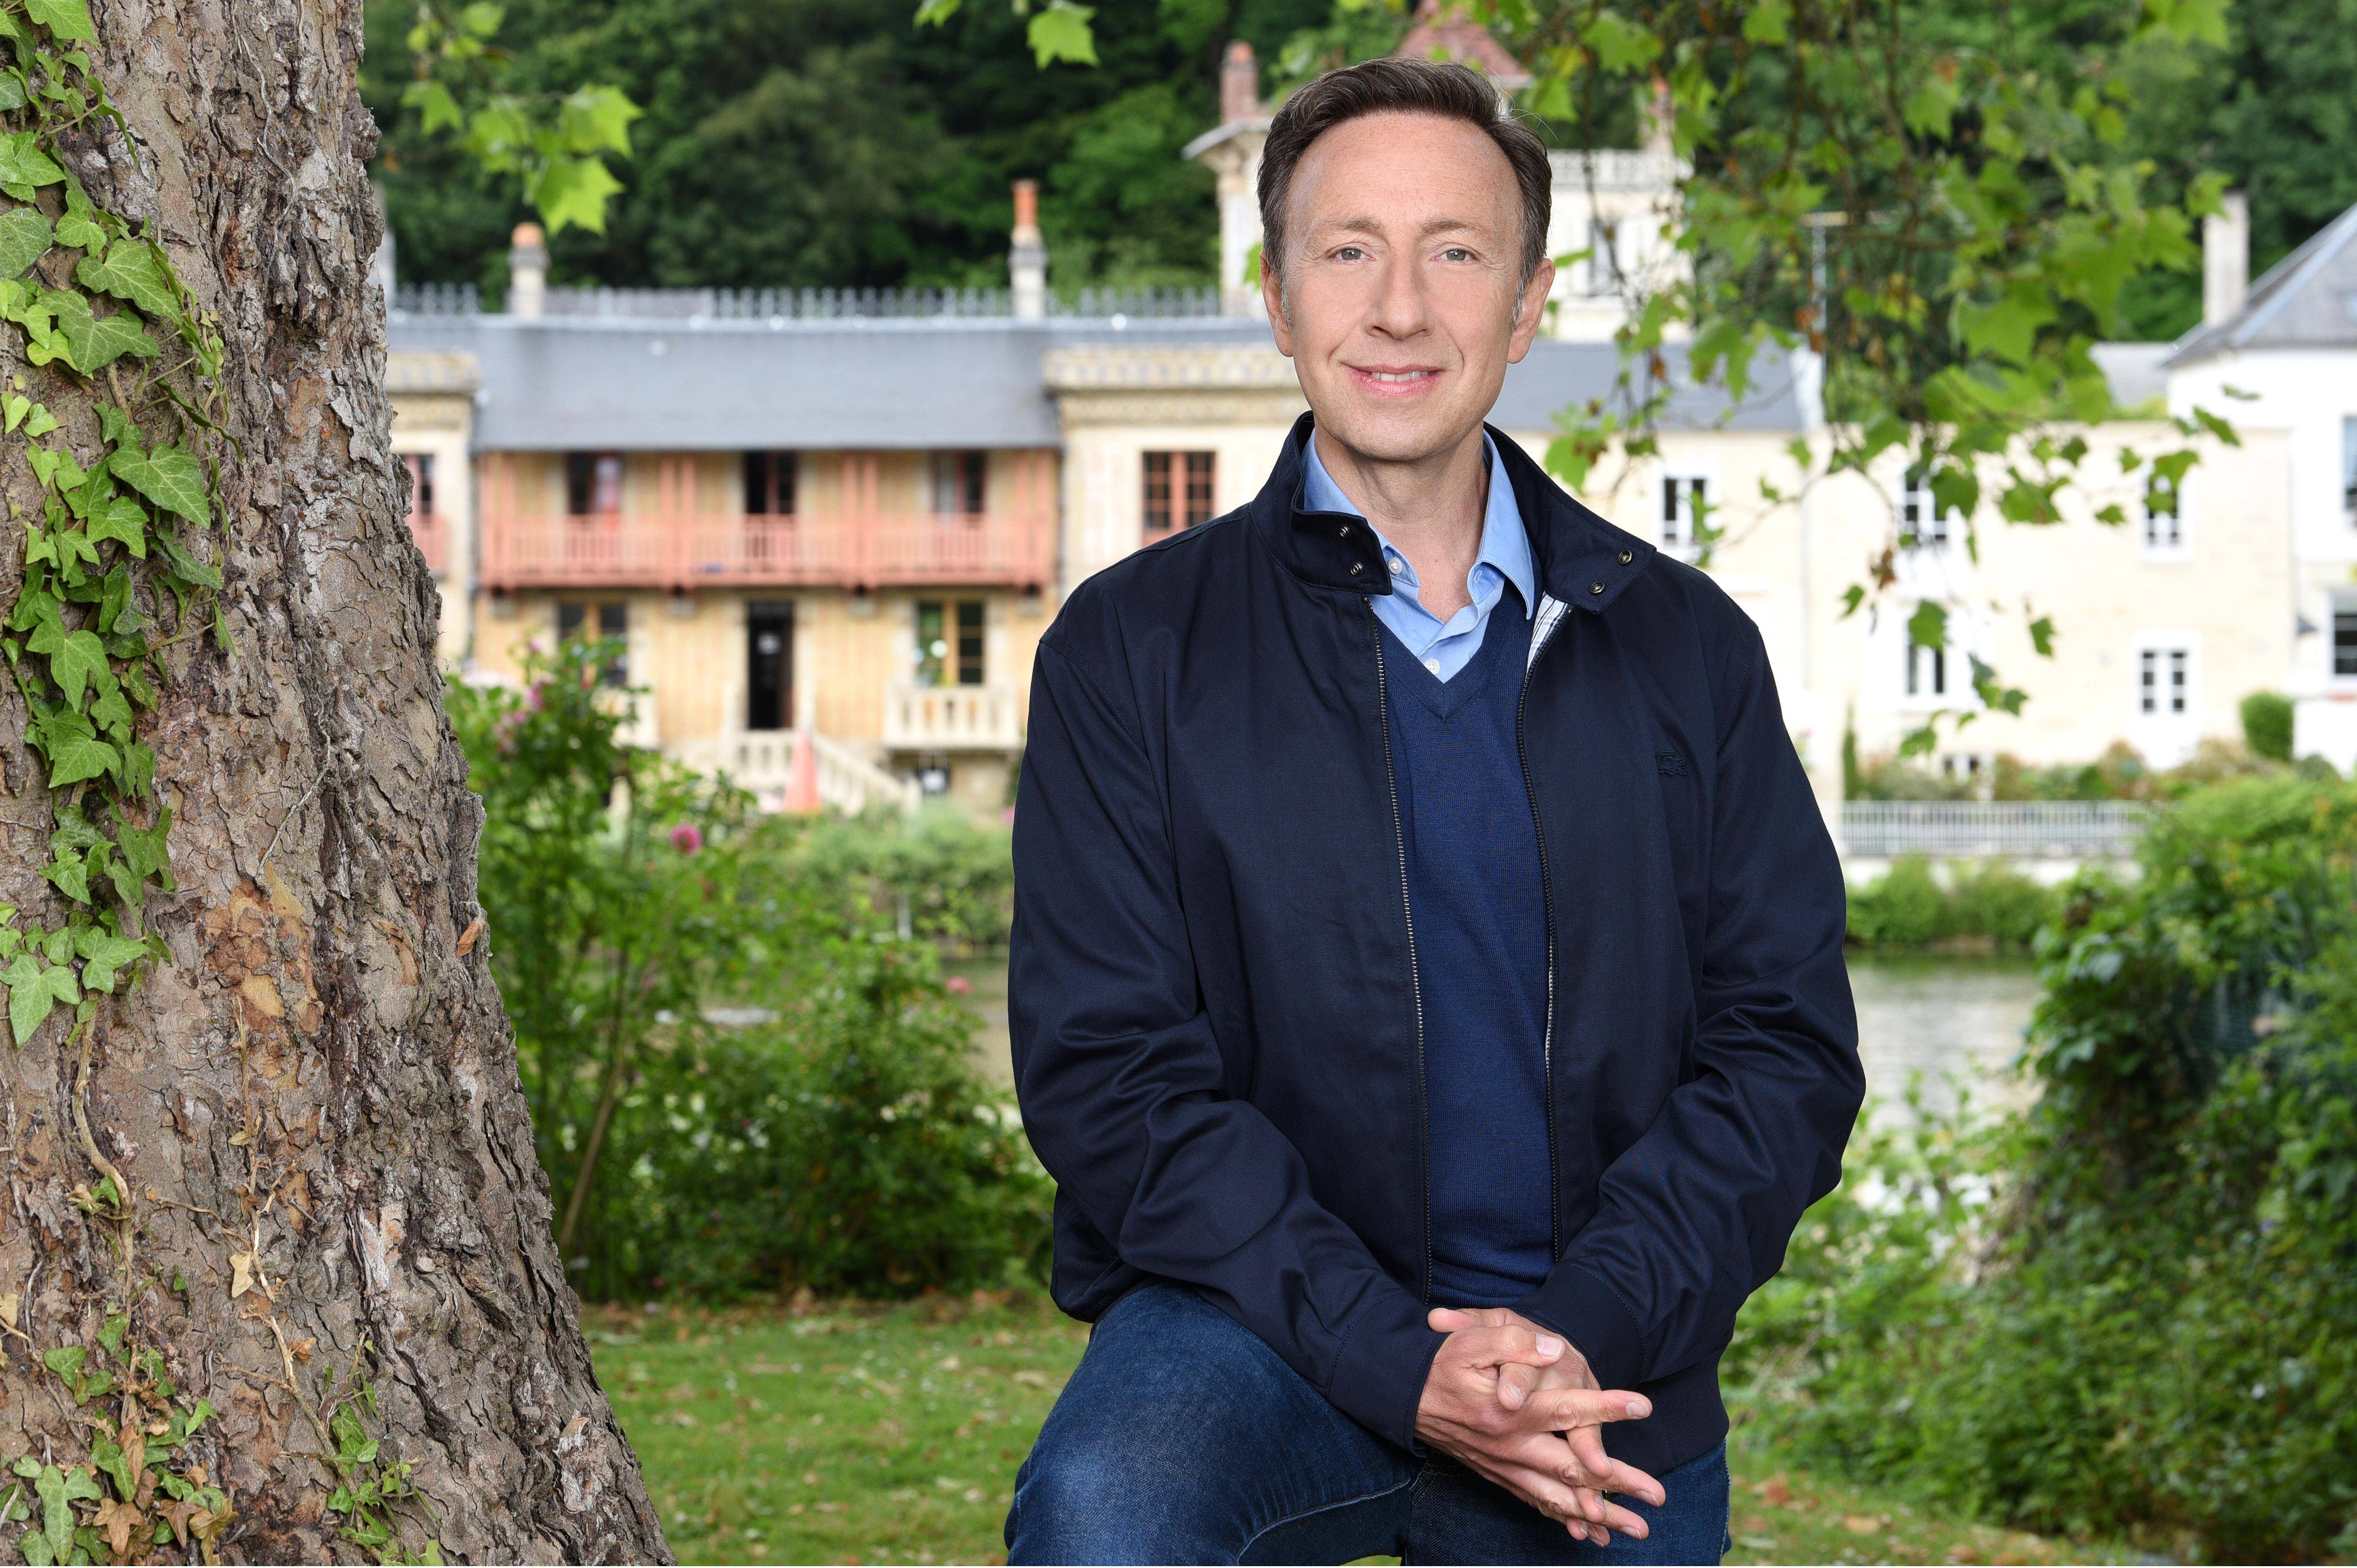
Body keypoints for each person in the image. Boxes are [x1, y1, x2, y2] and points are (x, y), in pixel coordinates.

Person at [1003, 55, 1861, 1567]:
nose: (1399, 309)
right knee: (1105, 1515)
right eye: (1349, 251)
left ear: (1526, 308)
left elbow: (1784, 1054)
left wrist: (1580, 1327)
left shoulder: (1686, 648)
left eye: (1456, 254)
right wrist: (1395, 1359)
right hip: (1254, 1326)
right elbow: (1109, 1074)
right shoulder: (1131, 651)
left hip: (1591, 1352)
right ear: (1278, 299)